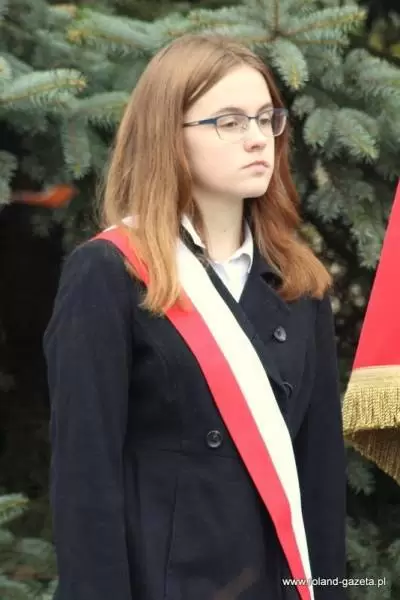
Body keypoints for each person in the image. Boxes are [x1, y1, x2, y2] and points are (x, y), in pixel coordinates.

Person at [43, 33, 347, 600]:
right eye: (229, 122)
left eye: (266, 118)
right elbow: (86, 479)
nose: (257, 138)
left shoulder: (301, 282)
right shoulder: (109, 272)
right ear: (169, 136)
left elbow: (321, 477)